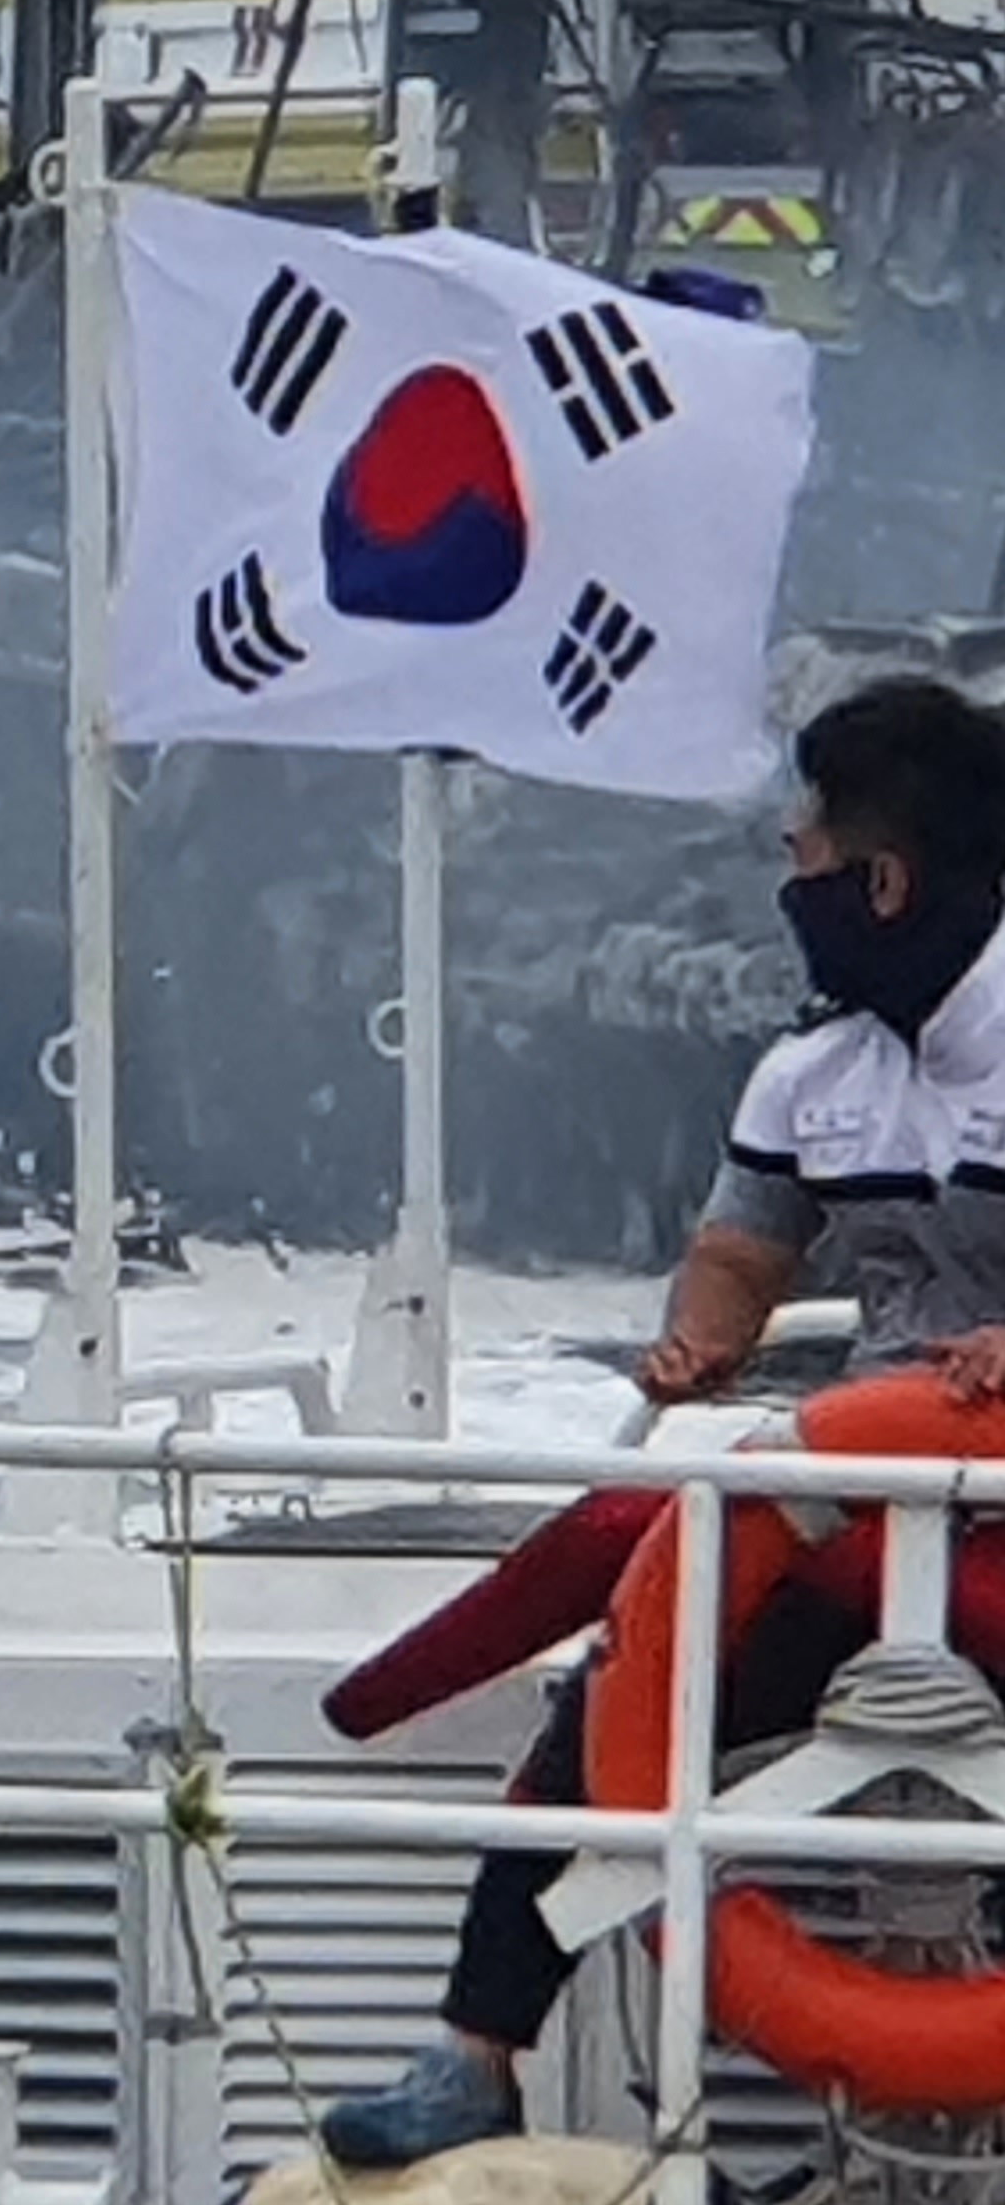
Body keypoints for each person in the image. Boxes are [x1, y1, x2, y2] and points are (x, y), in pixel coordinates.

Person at [319, 675, 1005, 2169]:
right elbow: (749, 1249)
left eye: (808, 860)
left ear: (884, 882)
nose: (790, 884)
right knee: (629, 1673)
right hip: (873, 1510)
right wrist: (703, 1336)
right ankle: (476, 2053)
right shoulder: (813, 1074)